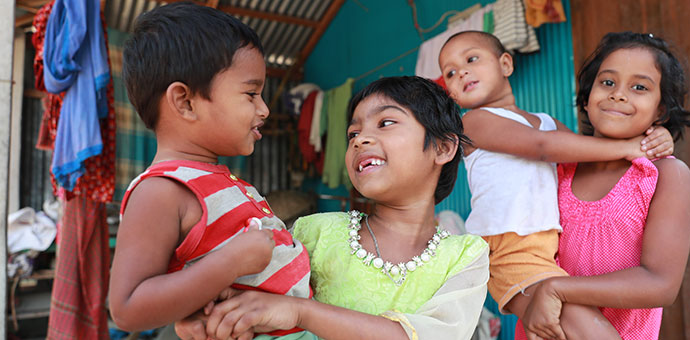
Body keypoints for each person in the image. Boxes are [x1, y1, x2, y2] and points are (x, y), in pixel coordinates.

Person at [176, 76, 490, 340]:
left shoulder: (465, 256)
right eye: (353, 133)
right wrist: (218, 315)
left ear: (442, 147)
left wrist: (301, 311)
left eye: (386, 122)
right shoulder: (314, 232)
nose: (360, 139)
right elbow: (259, 305)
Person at [438, 30, 675, 339]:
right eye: (450, 73)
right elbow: (542, 147)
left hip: (548, 252)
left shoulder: (546, 123)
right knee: (592, 331)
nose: (462, 73)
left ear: (506, 64)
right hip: (510, 251)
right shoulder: (473, 122)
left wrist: (655, 140)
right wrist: (630, 146)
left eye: (471, 59)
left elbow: (582, 154)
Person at [107, 2, 311, 338]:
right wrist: (232, 260)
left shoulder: (218, 179)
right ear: (185, 102)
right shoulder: (161, 191)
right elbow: (127, 308)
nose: (264, 109)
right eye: (251, 94)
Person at [520, 31, 690, 340]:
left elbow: (661, 284)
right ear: (587, 98)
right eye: (607, 82)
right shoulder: (556, 166)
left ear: (661, 111)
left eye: (639, 87)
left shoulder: (665, 175)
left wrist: (557, 289)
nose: (618, 94)